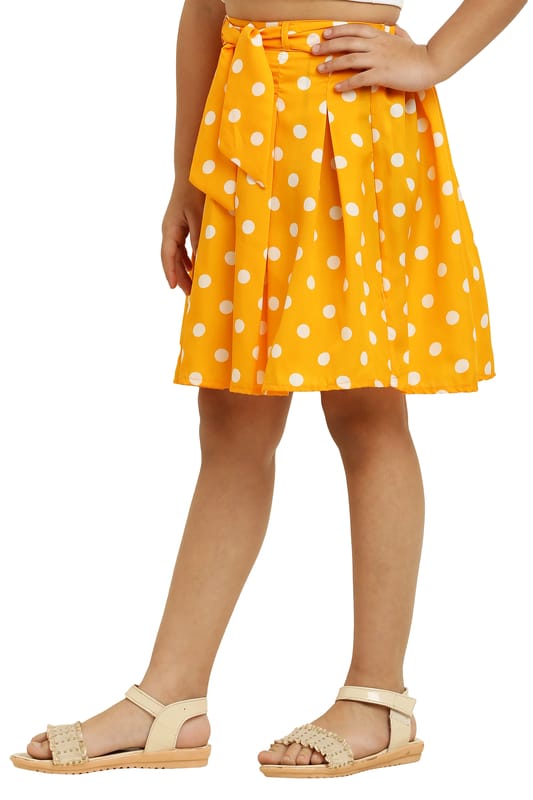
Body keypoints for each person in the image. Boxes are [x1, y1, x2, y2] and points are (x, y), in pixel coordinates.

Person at [10, 0, 527, 780]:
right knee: (229, 418)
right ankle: (171, 696)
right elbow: (202, 9)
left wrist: (433, 58)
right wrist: (185, 175)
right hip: (244, 129)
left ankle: (378, 696)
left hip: (348, 120)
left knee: (364, 408)